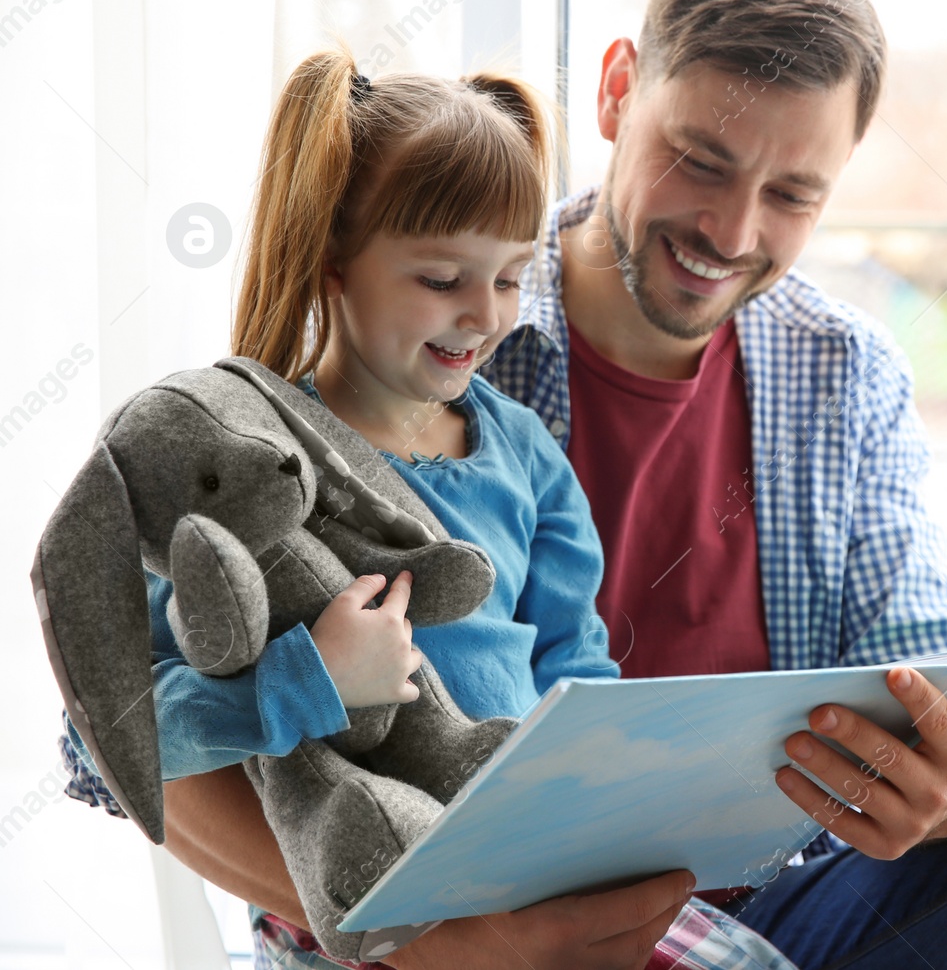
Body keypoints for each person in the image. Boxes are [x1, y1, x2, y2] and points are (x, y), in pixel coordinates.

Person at [63, 0, 947, 970]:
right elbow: (115, 734)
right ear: (619, 91)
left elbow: (929, 661)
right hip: (472, 925)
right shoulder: (420, 344)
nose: (731, 231)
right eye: (702, 160)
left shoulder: (844, 377)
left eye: (793, 193)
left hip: (771, 923)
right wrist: (454, 941)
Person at [59, 50, 797, 970]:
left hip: (531, 869)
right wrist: (315, 677)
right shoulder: (244, 461)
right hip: (347, 902)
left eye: (511, 276)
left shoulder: (524, 450)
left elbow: (578, 666)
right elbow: (135, 721)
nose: (485, 316)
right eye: (442, 280)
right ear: (333, 260)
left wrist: (626, 804)